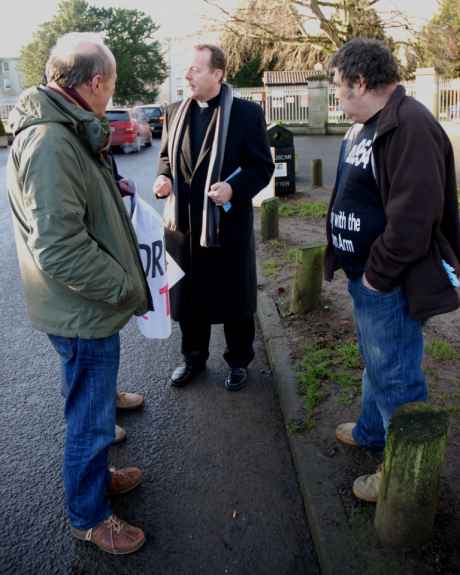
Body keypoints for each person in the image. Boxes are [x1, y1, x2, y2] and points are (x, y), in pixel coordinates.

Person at [7, 32, 150, 555]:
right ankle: (88, 517)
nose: (110, 96)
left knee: (91, 410)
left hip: (75, 306)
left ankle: (95, 483)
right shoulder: (51, 142)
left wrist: (113, 191)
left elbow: (72, 208)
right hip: (81, 309)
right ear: (93, 83)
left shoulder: (61, 129)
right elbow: (60, 248)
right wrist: (124, 288)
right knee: (90, 422)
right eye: (110, 86)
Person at [326, 38, 460, 502]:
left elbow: (414, 219)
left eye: (340, 90)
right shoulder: (369, 123)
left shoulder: (410, 126)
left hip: (388, 282)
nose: (338, 101)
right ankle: (371, 431)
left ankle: (403, 477)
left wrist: (375, 276)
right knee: (377, 363)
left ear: (361, 82)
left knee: (398, 376)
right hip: (368, 279)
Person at [153, 44, 274, 391]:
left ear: (218, 74)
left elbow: (261, 167)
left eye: (195, 69)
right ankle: (193, 358)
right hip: (183, 228)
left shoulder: (247, 114)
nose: (187, 75)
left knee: (235, 299)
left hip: (225, 226)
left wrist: (234, 190)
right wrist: (163, 178)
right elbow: (165, 158)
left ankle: (238, 362)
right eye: (188, 69)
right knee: (189, 297)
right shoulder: (174, 111)